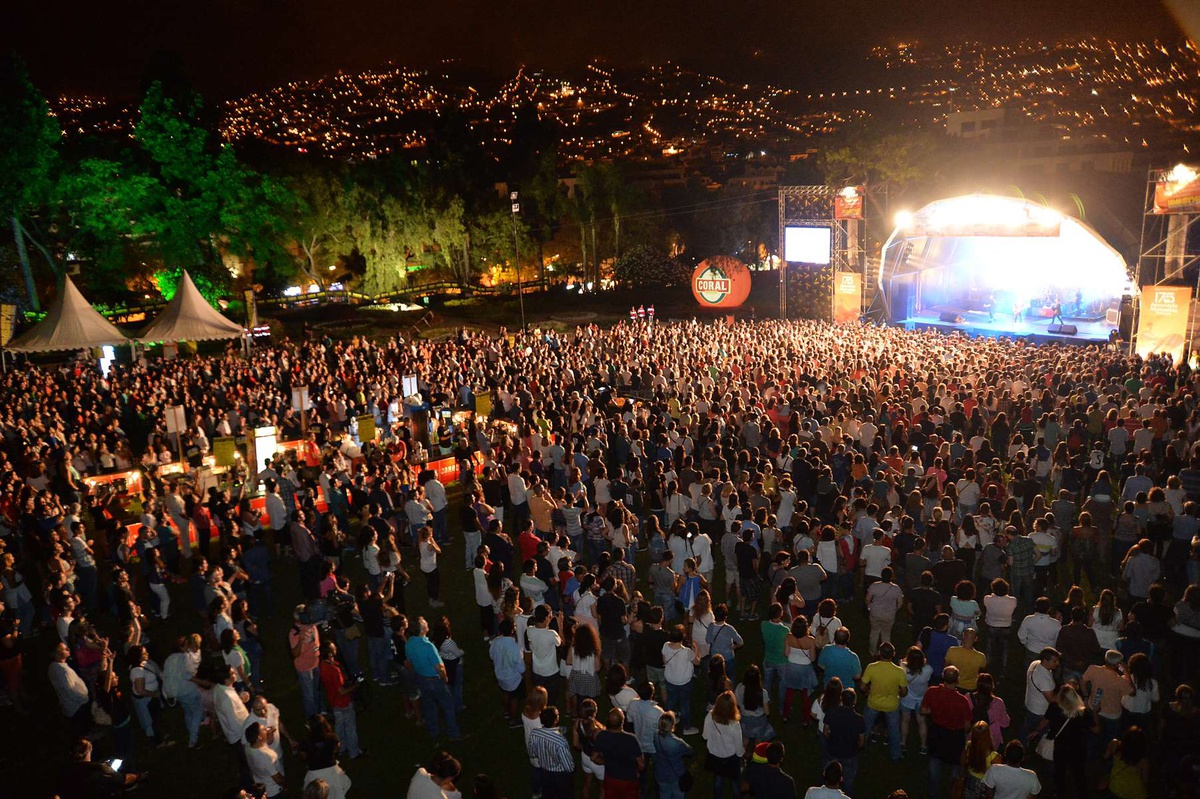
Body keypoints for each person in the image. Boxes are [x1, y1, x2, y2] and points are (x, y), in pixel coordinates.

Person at [405, 615, 463, 743]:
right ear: (421, 629)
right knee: (448, 705)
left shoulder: (408, 643)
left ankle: (434, 732)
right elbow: (439, 667)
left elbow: (409, 662)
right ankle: (453, 733)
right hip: (434, 680)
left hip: (421, 678)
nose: (426, 622)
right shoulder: (428, 646)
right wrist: (445, 677)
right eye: (424, 622)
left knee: (429, 706)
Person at [860, 642, 906, 761]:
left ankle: (861, 748)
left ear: (879, 653)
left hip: (873, 702)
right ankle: (896, 755)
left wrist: (868, 691)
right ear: (893, 654)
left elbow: (862, 686)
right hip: (891, 705)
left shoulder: (871, 667)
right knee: (894, 731)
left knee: (866, 727)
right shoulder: (899, 671)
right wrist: (898, 693)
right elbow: (904, 691)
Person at [55, 737, 142, 799]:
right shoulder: (100, 770)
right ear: (89, 751)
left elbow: (57, 794)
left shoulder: (64, 770)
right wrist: (137, 776)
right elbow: (124, 780)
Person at [318, 641, 363, 759]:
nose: (336, 649)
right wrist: (355, 686)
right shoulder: (334, 670)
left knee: (339, 727)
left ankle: (340, 748)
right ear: (329, 654)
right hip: (343, 702)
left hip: (333, 701)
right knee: (350, 727)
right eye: (333, 649)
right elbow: (342, 691)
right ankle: (354, 752)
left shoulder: (322, 665)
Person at [592, 707, 644, 799]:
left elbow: (594, 757)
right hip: (628, 779)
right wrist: (637, 771)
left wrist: (605, 762)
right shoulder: (631, 739)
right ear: (623, 721)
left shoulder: (602, 736)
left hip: (610, 777)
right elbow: (641, 764)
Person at [703, 690, 744, 799]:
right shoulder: (734, 725)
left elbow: (705, 736)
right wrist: (741, 756)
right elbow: (738, 746)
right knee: (735, 781)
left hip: (714, 754)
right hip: (730, 757)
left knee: (718, 779)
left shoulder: (710, 716)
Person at [823, 688, 865, 795]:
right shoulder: (859, 720)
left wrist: (831, 741)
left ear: (841, 699)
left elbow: (825, 732)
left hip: (833, 751)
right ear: (854, 702)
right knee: (849, 781)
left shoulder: (831, 713)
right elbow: (861, 741)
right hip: (850, 754)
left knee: (830, 777)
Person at [528, 706, 576, 799]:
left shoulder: (534, 733)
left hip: (544, 773)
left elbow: (532, 753)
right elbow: (569, 767)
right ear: (555, 720)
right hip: (560, 776)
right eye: (557, 715)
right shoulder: (560, 741)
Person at [1021, 648, 1059, 741]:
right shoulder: (1044, 680)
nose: (1057, 663)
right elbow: (1051, 701)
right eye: (1054, 661)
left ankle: (1021, 746)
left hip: (1029, 703)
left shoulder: (1035, 664)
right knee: (1036, 731)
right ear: (1045, 661)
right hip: (1039, 711)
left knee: (1026, 727)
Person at [653, 711, 693, 799]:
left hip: (660, 772)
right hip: (676, 774)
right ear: (672, 726)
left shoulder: (656, 736)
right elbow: (690, 751)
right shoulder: (677, 743)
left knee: (664, 794)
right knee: (678, 795)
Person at [1104, 725, 1150, 799]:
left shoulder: (1115, 744)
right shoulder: (1143, 760)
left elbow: (1105, 757)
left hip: (1115, 786)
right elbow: (1145, 780)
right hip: (1134, 793)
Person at [865, 567, 904, 650]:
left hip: (875, 612)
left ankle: (872, 651)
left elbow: (868, 599)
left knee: (874, 632)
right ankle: (885, 652)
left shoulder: (874, 586)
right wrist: (894, 610)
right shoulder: (896, 589)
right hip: (889, 615)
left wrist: (869, 607)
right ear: (891, 576)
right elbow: (900, 604)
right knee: (886, 634)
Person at [244, 722, 287, 797]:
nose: (266, 730)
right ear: (259, 737)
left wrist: (270, 733)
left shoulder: (249, 746)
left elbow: (267, 742)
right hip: (274, 790)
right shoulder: (265, 756)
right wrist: (285, 785)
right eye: (264, 730)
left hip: (261, 782)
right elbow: (277, 778)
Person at [959, 721, 998, 799]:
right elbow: (996, 776)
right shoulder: (994, 756)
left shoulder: (968, 746)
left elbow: (962, 762)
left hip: (970, 779)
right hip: (985, 784)